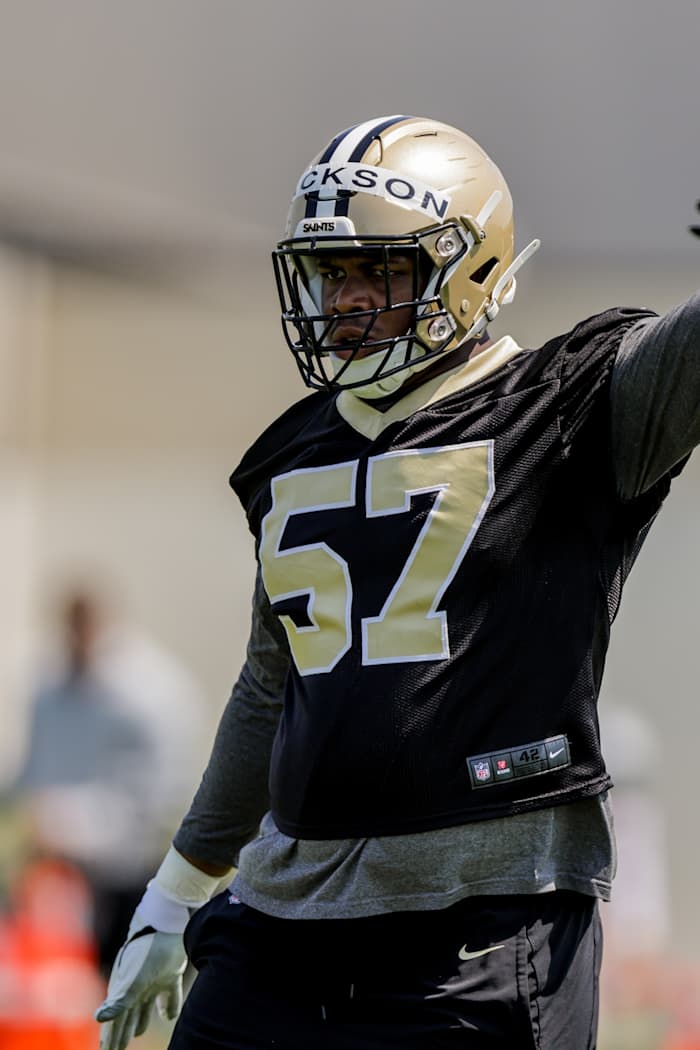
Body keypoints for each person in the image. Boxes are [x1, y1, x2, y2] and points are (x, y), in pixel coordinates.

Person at [95, 115, 699, 1049]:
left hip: (478, 930)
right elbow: (271, 686)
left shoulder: (572, 405)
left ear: (467, 271)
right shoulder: (295, 451)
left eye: (380, 272)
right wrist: (173, 897)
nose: (345, 301)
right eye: (333, 273)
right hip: (281, 919)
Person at [11, 587, 204, 976]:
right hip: (59, 872)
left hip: (127, 871)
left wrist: (79, 825)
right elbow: (34, 767)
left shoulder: (150, 692)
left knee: (117, 980)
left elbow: (164, 791)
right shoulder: (49, 686)